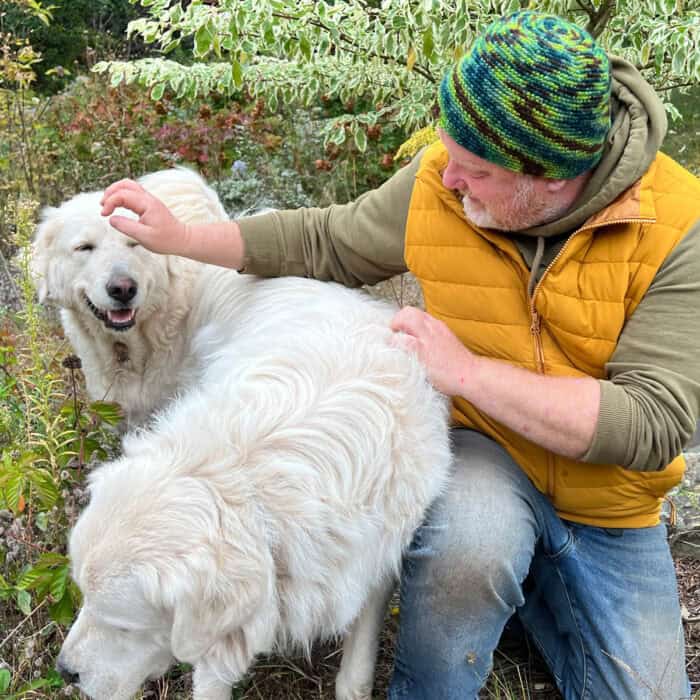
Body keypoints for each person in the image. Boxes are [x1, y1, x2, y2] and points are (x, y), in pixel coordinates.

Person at [100, 11, 700, 699]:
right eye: (450, 159)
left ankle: (534, 585)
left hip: (611, 500)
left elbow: (651, 422)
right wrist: (185, 239)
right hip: (486, 451)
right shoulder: (446, 176)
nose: (448, 181)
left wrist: (468, 372)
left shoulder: (681, 225)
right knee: (466, 550)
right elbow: (328, 241)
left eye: (473, 171)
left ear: (549, 178)